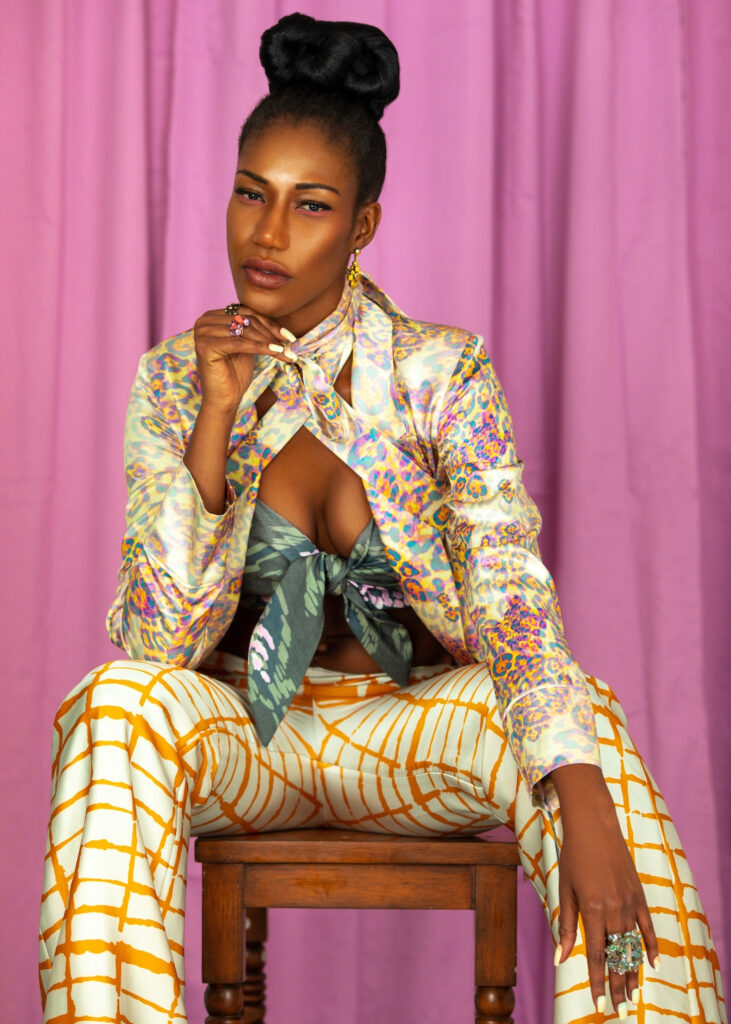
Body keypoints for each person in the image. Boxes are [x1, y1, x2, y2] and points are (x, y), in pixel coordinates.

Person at [39, 12, 725, 1024]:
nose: (268, 234)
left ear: (360, 226)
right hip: (248, 742)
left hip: (412, 731)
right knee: (114, 700)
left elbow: (506, 586)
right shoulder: (176, 379)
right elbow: (156, 645)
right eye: (250, 194)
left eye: (310, 206)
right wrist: (216, 417)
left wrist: (579, 788)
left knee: (580, 731)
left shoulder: (439, 371)